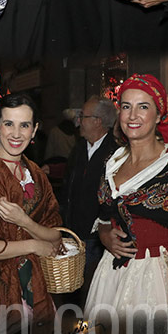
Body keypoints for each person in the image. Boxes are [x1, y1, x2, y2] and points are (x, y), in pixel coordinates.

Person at [85, 74, 168, 320]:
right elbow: (105, 214)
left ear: (159, 115)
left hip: (158, 282)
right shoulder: (112, 162)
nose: (133, 116)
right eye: (126, 107)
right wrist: (104, 235)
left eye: (143, 107)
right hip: (111, 276)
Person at [0, 92, 62, 322]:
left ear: (35, 130)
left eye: (24, 125)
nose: (16, 134)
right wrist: (32, 244)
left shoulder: (37, 174)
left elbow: (56, 236)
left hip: (34, 281)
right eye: (8, 124)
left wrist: (24, 221)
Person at [62, 97, 117, 272]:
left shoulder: (115, 152)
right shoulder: (78, 148)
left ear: (97, 121)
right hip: (71, 231)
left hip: (96, 237)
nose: (78, 122)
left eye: (83, 117)